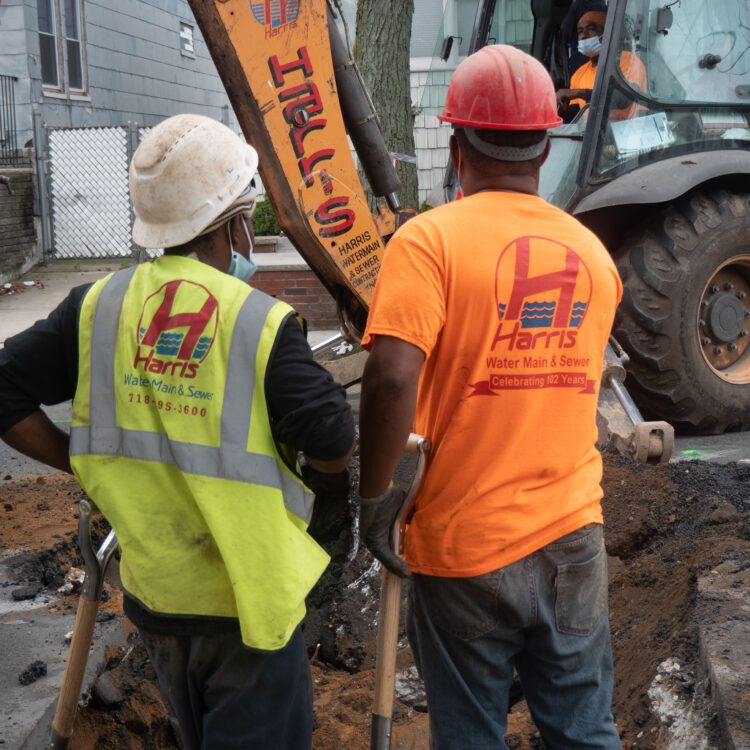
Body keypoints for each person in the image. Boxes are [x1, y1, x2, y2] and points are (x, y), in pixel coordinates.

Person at [0, 113, 354, 750]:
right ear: (232, 224)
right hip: (250, 606)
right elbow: (330, 428)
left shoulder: (97, 307)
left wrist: (81, 462)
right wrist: (332, 493)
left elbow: (3, 388)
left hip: (158, 599)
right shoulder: (256, 320)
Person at [357, 46, 623, 749]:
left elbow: (389, 378)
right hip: (573, 535)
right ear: (543, 149)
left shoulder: (427, 244)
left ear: (455, 146)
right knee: (584, 730)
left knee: (470, 734)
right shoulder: (592, 255)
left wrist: (374, 495)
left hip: (463, 544)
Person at [557, 6, 647, 121]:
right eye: (580, 31)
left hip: (629, 132)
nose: (584, 35)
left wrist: (579, 93)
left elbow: (622, 99)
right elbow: (578, 114)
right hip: (593, 136)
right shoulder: (579, 74)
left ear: (607, 34)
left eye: (591, 29)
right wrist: (562, 110)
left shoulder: (629, 61)